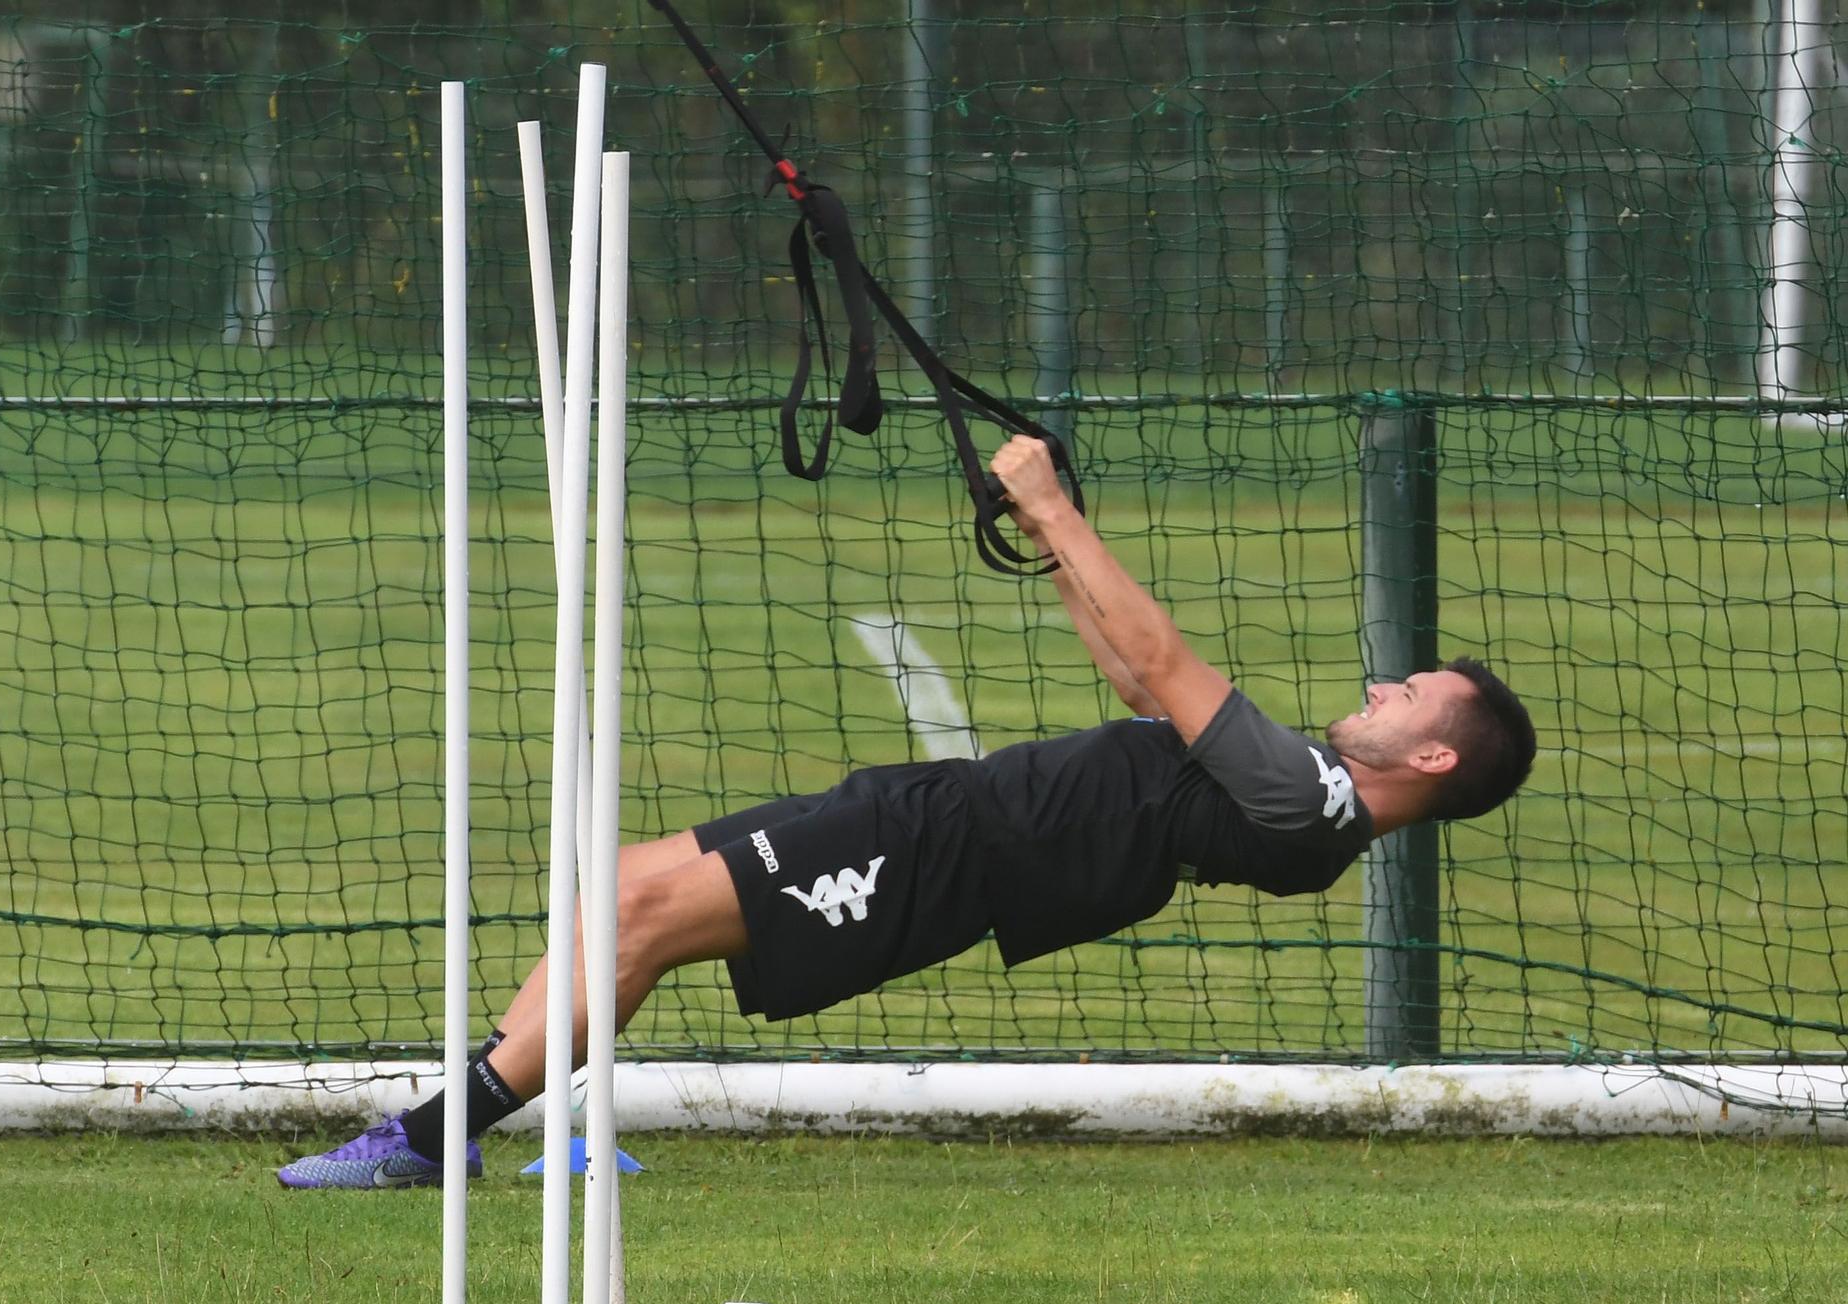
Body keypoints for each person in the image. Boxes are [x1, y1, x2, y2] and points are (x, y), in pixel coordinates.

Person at [278, 437, 1536, 1188]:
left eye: (1406, 691)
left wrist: (1049, 504)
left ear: (1428, 757)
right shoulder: (1301, 793)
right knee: (617, 891)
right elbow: (1127, 671)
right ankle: (460, 1123)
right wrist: (1051, 540)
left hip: (943, 858)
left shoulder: (1310, 806)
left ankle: (435, 1134)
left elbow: (1161, 662)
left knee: (637, 913)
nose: (1380, 684)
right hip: (944, 819)